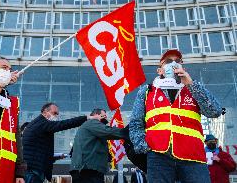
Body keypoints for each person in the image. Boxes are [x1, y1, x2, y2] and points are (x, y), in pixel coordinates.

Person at [129, 49, 222, 183]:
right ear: (159, 70)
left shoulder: (193, 88)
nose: (173, 64)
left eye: (177, 61)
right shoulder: (147, 91)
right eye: (168, 61)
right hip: (159, 156)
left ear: (182, 67)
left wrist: (190, 84)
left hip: (193, 155)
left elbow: (215, 111)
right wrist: (142, 146)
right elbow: (136, 122)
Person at [22, 103, 103, 183]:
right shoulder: (41, 123)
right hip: (33, 171)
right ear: (45, 112)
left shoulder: (38, 124)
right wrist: (88, 117)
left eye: (57, 114)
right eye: (54, 113)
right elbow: (64, 124)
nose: (56, 116)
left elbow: (38, 151)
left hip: (33, 169)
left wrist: (54, 156)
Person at [70, 108, 128, 183]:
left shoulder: (88, 127)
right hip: (88, 170)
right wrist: (127, 132)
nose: (105, 118)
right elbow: (108, 131)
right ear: (95, 115)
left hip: (87, 169)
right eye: (103, 116)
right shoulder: (92, 122)